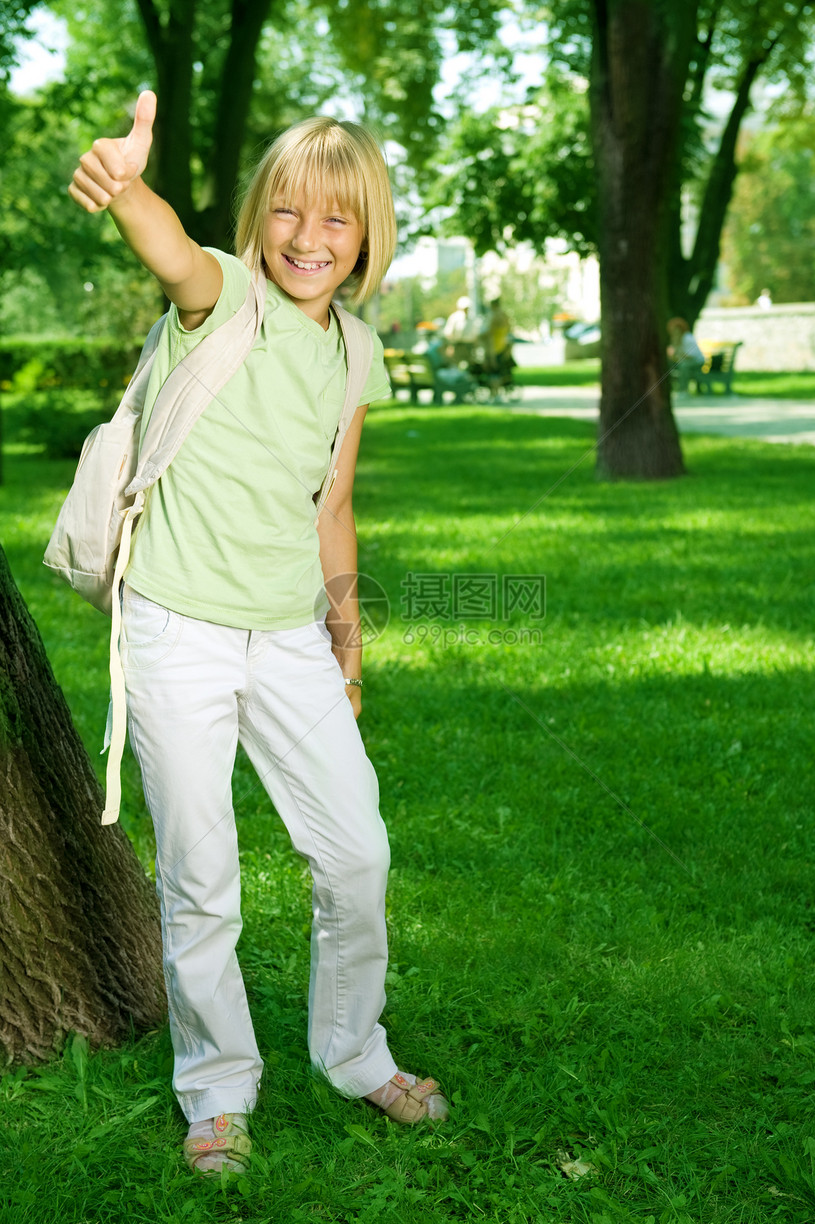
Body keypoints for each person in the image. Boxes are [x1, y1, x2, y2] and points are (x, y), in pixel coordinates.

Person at [69, 90, 448, 1178]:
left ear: (366, 234)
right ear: (258, 219)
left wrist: (347, 642)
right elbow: (172, 254)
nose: (307, 239)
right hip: (176, 628)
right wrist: (129, 186)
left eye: (335, 219)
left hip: (288, 637)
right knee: (202, 877)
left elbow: (332, 504)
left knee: (356, 853)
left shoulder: (357, 349)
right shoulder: (223, 294)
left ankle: (351, 1051)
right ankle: (218, 1092)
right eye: (287, 212)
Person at [667, 317, 705, 392]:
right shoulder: (677, 339)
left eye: (676, 330)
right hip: (688, 361)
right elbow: (674, 357)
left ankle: (683, 390)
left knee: (684, 366)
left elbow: (690, 356)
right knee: (674, 364)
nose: (674, 333)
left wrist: (678, 353)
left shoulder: (687, 338)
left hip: (697, 361)